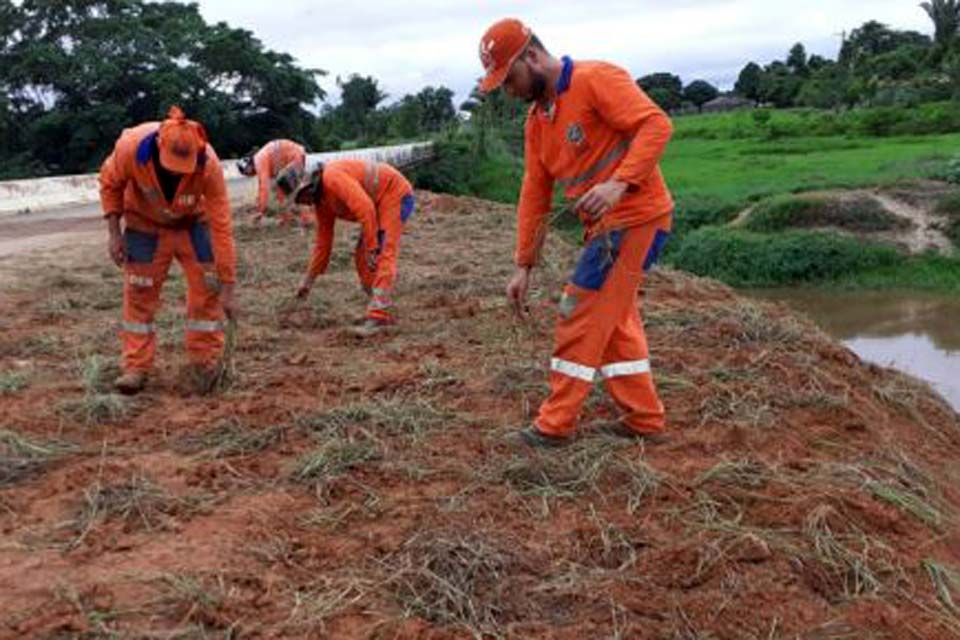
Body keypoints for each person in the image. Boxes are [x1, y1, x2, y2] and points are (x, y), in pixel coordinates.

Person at [477, 18, 675, 447]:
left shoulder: (595, 79)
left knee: (578, 309)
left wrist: (619, 183)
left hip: (635, 219)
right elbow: (534, 193)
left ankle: (554, 425)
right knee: (614, 323)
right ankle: (644, 420)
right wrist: (524, 265)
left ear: (532, 56)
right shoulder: (537, 122)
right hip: (603, 229)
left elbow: (656, 125)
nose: (508, 91)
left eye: (509, 79)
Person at [99, 106, 238, 394]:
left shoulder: (209, 164)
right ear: (158, 146)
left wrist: (228, 284)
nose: (177, 172)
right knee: (139, 293)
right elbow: (110, 183)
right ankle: (136, 367)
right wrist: (114, 233)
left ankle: (204, 363)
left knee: (207, 289)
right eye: (172, 165)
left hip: (193, 223)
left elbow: (221, 225)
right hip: (144, 223)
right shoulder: (130, 147)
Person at [286, 159, 415, 336]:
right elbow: (323, 245)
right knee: (362, 258)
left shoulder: (332, 177)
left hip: (395, 194)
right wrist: (308, 282)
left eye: (300, 198)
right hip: (376, 206)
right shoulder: (321, 203)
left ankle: (379, 315)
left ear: (307, 187)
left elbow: (365, 207)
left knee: (382, 252)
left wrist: (372, 247)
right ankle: (377, 305)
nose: (303, 204)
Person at [236, 139, 309, 226]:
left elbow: (264, 187)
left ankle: (303, 218)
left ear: (248, 167)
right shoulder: (261, 159)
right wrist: (259, 203)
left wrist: (260, 210)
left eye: (247, 173)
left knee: (284, 189)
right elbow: (261, 186)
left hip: (296, 157)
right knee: (280, 189)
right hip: (296, 155)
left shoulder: (259, 161)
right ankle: (287, 217)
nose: (249, 175)